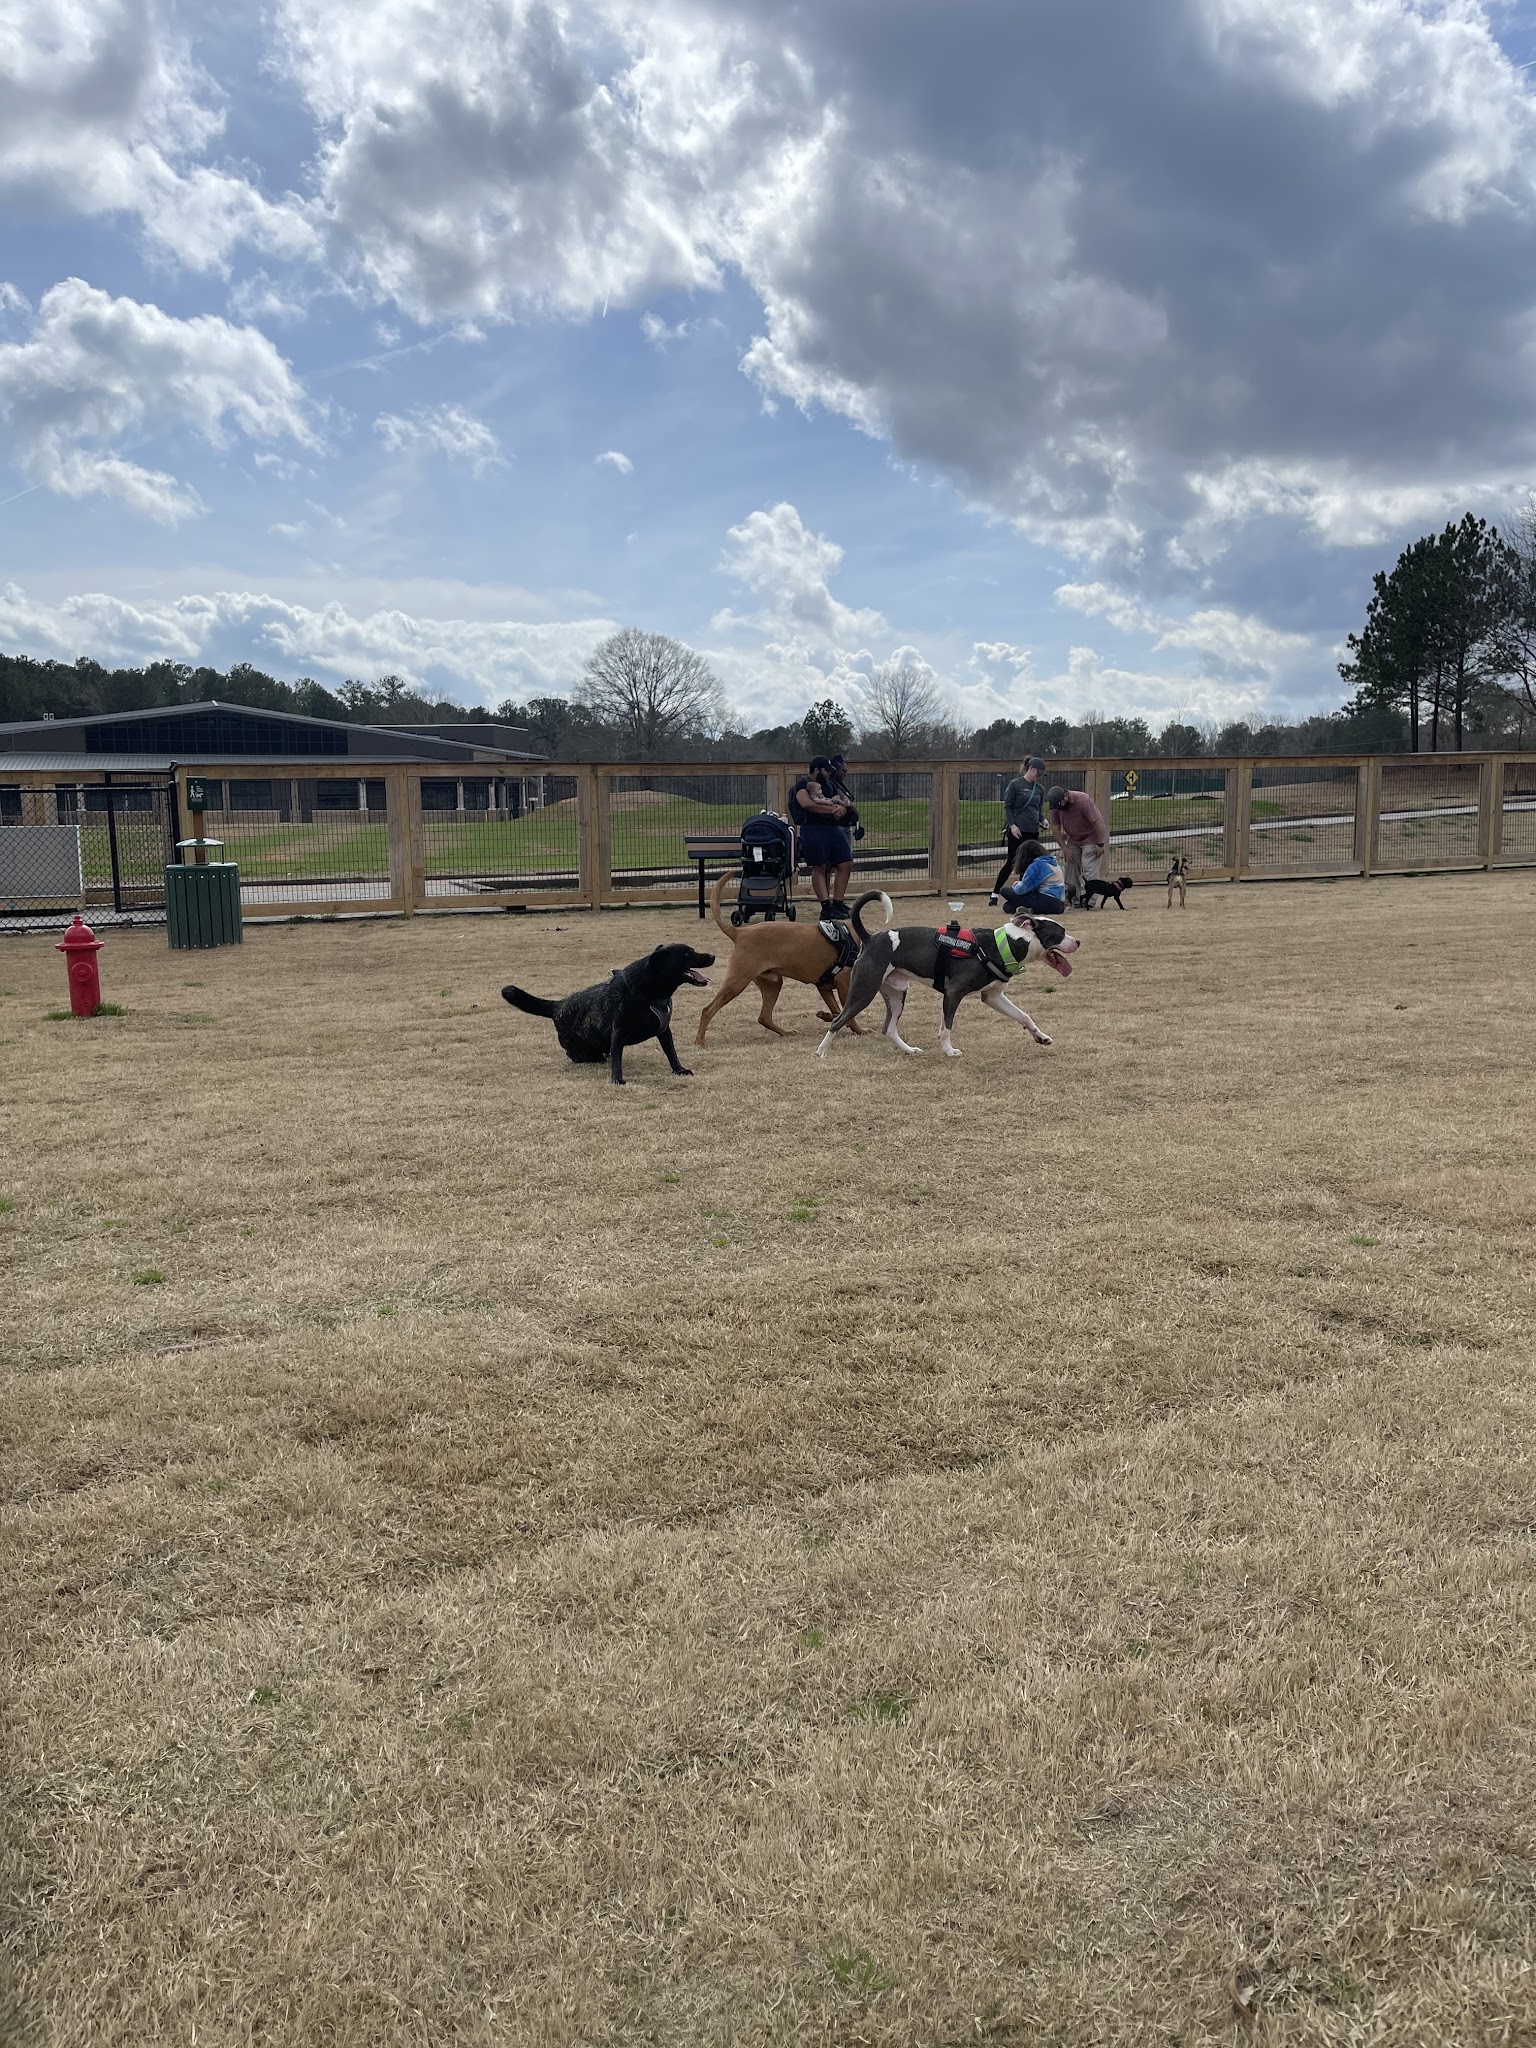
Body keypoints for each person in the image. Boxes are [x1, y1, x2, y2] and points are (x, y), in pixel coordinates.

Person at [789, 754, 854, 916]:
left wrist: (843, 809)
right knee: (820, 866)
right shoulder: (802, 784)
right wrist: (833, 809)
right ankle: (826, 907)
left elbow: (844, 801)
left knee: (846, 863)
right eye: (826, 771)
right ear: (817, 770)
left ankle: (838, 903)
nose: (829, 774)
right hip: (812, 828)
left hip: (832, 827)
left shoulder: (830, 784)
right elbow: (807, 804)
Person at [989, 757, 1047, 903]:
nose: (1039, 776)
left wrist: (1043, 820)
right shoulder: (1015, 785)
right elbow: (1008, 806)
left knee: (1029, 864)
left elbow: (1037, 809)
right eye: (1038, 773)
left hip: (1032, 830)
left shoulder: (1040, 789)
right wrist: (1012, 825)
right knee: (1012, 862)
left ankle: (1022, 894)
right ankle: (995, 894)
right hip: (1017, 830)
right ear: (1032, 769)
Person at [1046, 784, 1108, 904]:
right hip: (1073, 838)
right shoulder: (1055, 806)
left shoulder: (1083, 800)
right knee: (1070, 866)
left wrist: (1100, 844)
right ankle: (1074, 898)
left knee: (1089, 868)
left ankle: (1090, 901)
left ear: (1065, 796)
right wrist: (1064, 848)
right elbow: (1055, 828)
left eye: (1060, 803)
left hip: (1091, 836)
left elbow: (1098, 823)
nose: (1059, 808)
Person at [1000, 838, 1067, 916]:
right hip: (1059, 904)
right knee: (1008, 906)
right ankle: (1029, 910)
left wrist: (1016, 884)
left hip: (1047, 900)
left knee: (1004, 890)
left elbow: (1021, 890)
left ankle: (1028, 909)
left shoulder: (1037, 865)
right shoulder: (1052, 862)